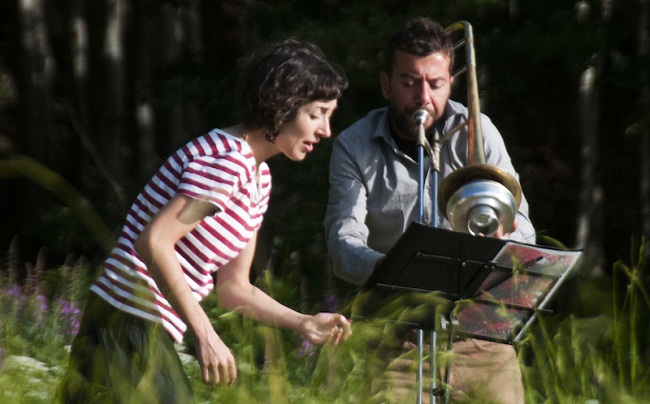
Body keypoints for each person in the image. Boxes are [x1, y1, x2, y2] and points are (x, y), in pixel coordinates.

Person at [56, 38, 352, 403]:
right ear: (284, 104)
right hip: (125, 319)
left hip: (138, 325)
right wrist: (205, 333)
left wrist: (303, 322)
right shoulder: (227, 163)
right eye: (317, 113)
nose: (325, 130)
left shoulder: (257, 179)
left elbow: (234, 287)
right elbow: (155, 241)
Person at [323, 17, 535, 403]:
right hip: (397, 341)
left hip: (482, 335)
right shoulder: (354, 146)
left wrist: (503, 237)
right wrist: (395, 269)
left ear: (450, 83)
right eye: (409, 82)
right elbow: (342, 242)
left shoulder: (479, 130)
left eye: (435, 84)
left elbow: (524, 227)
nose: (423, 97)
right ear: (386, 84)